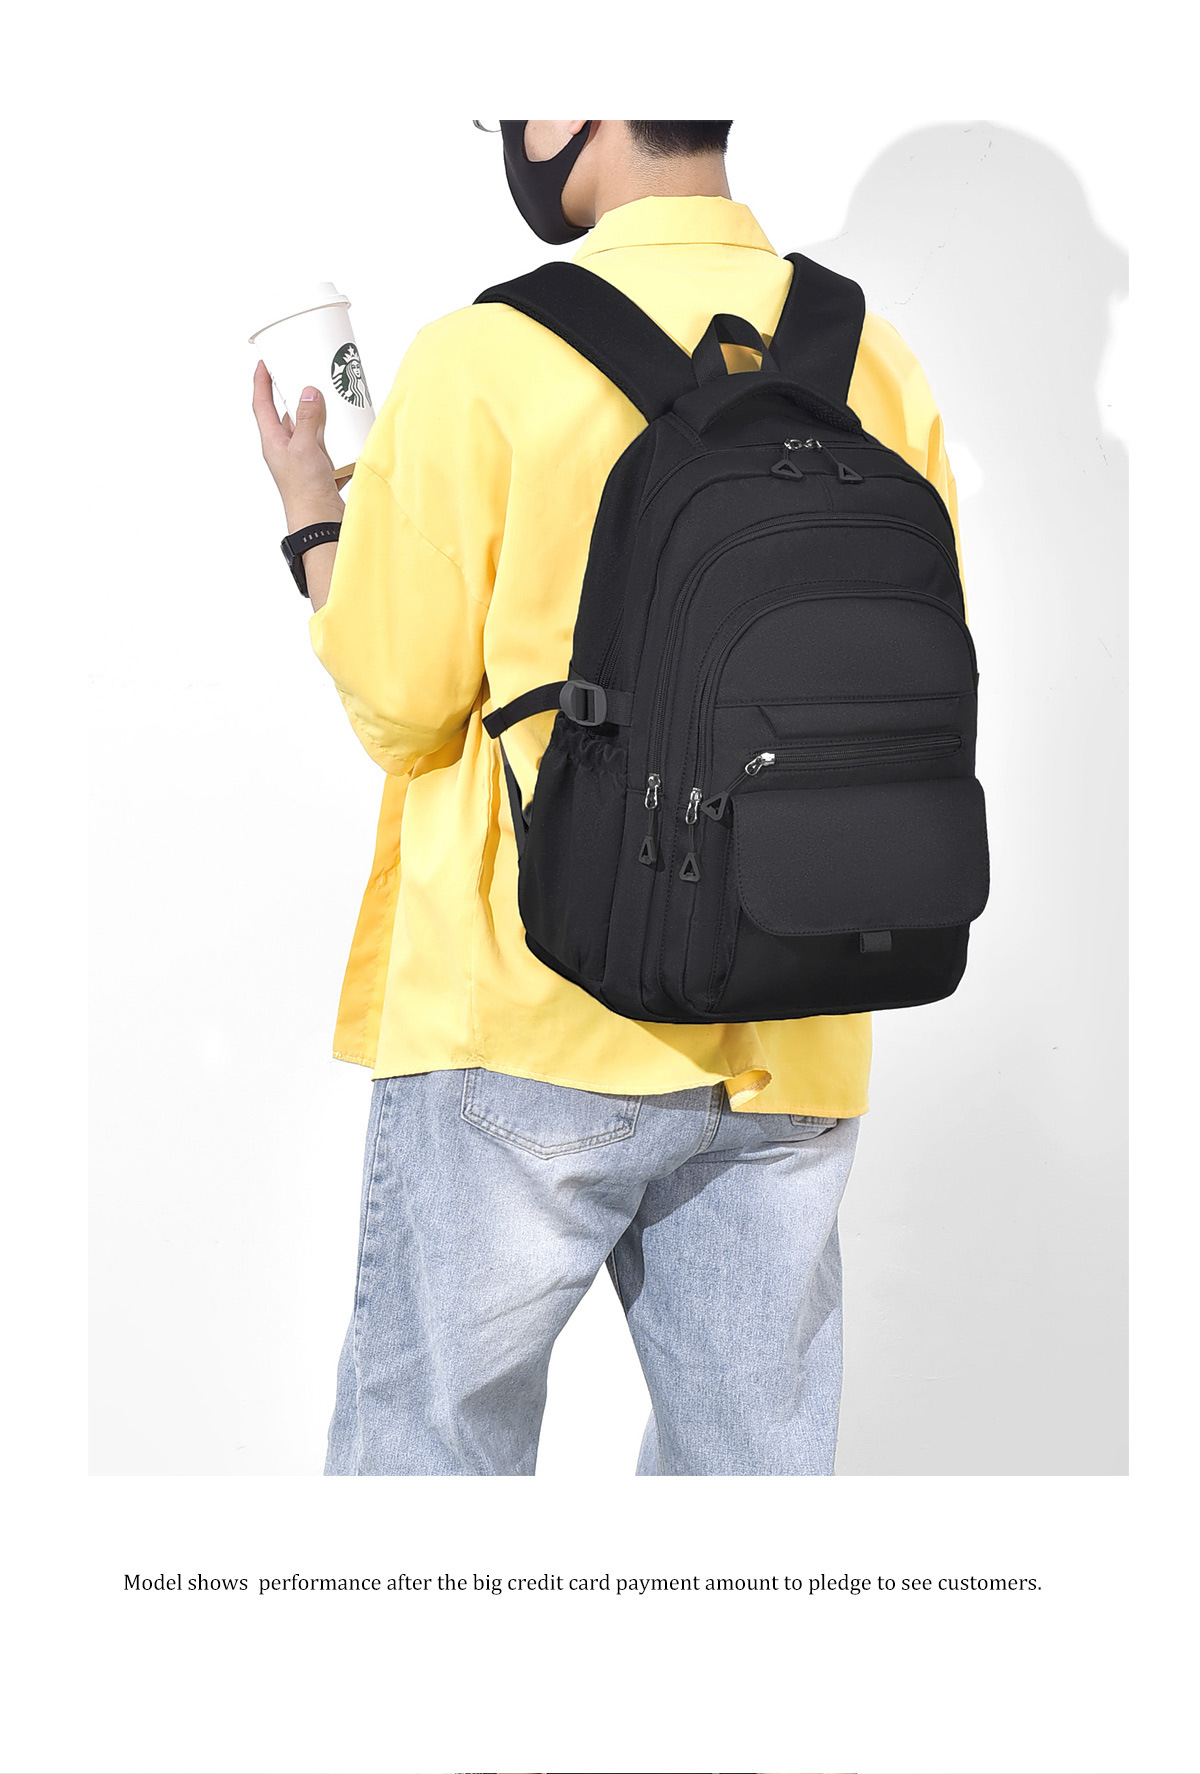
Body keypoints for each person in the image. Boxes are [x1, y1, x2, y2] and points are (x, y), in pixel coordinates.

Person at [252, 120, 962, 1478]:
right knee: (750, 1499)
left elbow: (403, 703)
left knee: (428, 1475)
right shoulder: (872, 357)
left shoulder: (485, 358)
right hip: (799, 1016)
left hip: (533, 1009)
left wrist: (315, 524)